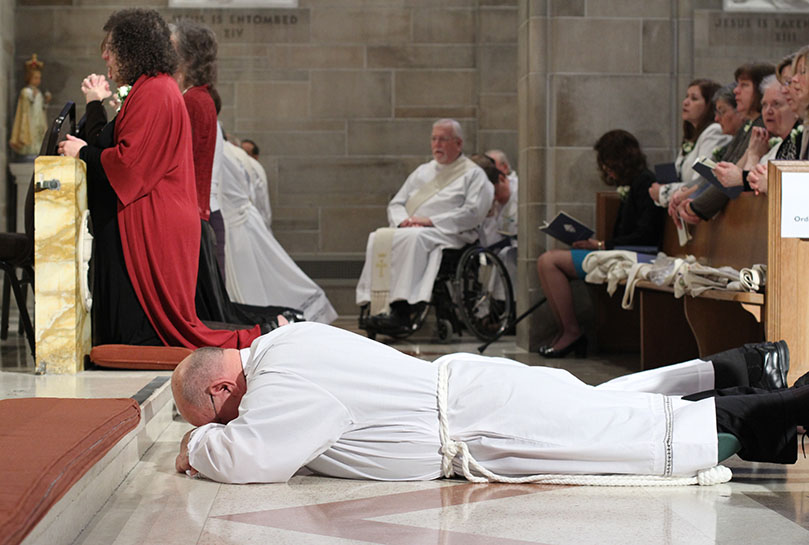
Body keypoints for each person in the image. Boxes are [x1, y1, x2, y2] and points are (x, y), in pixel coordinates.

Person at [172, 321, 800, 484]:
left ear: (223, 388)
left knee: (625, 441)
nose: (230, 421)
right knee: (606, 411)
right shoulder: (286, 341)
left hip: (478, 418)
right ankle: (743, 374)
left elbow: (256, 457)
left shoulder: (279, 385)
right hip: (475, 398)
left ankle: (768, 409)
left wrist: (196, 446)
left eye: (219, 415)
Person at [59, 8, 260, 349]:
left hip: (153, 220)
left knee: (150, 333)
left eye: (112, 47)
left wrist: (82, 153)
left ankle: (268, 330)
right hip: (153, 215)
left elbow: (129, 165)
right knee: (135, 332)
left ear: (133, 49)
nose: (105, 55)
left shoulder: (154, 92)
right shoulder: (149, 89)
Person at [535, 130, 665, 358]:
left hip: (642, 254)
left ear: (622, 157)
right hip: (623, 251)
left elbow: (646, 234)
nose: (605, 168)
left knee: (549, 261)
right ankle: (567, 331)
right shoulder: (632, 183)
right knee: (549, 260)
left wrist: (602, 245)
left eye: (607, 160)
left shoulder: (645, 181)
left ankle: (572, 332)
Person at [355, 119, 493, 330]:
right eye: (434, 139)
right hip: (413, 229)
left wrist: (430, 221)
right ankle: (376, 305)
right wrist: (404, 222)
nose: (437, 144)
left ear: (458, 143)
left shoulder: (473, 174)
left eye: (443, 139)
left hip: (450, 233)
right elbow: (397, 203)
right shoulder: (422, 172)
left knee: (415, 238)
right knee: (379, 236)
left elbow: (473, 212)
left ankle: (403, 309)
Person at [217, 136, 338, 323]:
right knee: (265, 281)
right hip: (251, 223)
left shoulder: (224, 154)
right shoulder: (239, 156)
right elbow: (258, 201)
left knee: (255, 285)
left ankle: (270, 324)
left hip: (237, 226)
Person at [675, 62, 774, 225]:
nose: (736, 90)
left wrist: (696, 206)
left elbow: (733, 177)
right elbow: (722, 170)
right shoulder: (749, 126)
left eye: (744, 85)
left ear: (760, 89)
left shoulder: (763, 126)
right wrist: (689, 195)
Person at [649, 79, 729, 208]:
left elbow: (702, 182)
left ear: (709, 105)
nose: (685, 102)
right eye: (686, 97)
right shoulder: (692, 137)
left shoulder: (714, 132)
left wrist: (663, 192)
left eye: (694, 98)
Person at [713, 75, 800, 193]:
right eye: (764, 105)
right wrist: (752, 153)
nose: (768, 111)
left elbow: (748, 193)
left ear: (795, 108)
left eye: (776, 104)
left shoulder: (797, 145)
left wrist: (753, 157)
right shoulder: (772, 146)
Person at [9, 54, 51, 157]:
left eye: (39, 78)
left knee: (39, 137)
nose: (38, 80)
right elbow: (24, 107)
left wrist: (46, 101)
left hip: (38, 121)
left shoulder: (39, 93)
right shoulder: (25, 91)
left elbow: (41, 108)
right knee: (30, 136)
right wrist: (32, 97)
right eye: (35, 78)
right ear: (29, 78)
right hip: (29, 121)